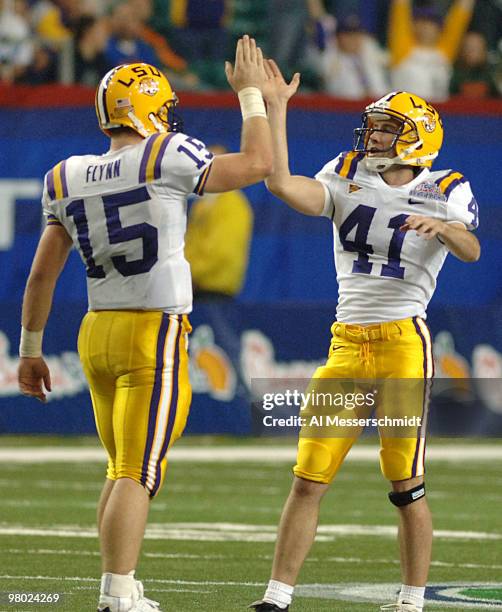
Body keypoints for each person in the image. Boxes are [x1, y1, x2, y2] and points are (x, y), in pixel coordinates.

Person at [17, 35, 272, 612]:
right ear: (148, 108)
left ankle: (123, 586)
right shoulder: (165, 154)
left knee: (120, 467)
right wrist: (252, 97)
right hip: (151, 332)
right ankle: (116, 595)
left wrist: (31, 349)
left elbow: (40, 279)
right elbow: (258, 165)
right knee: (137, 470)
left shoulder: (66, 174)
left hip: (95, 331)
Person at [249, 62, 480, 612]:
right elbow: (283, 185)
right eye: (374, 126)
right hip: (347, 344)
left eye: (386, 128)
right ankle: (277, 597)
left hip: (403, 343)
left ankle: (411, 601)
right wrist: (276, 108)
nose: (373, 136)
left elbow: (471, 249)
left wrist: (445, 228)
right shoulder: (346, 169)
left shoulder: (445, 187)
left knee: (406, 484)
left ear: (417, 138)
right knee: (309, 476)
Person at [185, 144, 254, 300]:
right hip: (193, 289)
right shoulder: (202, 205)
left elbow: (223, 250)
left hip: (215, 293)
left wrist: (192, 275)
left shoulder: (232, 203)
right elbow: (190, 244)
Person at [389, 0, 475, 102]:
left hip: (439, 113)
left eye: (431, 23)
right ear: (413, 25)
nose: (426, 27)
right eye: (421, 22)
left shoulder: (444, 52)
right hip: (405, 113)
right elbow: (400, 10)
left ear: (439, 28)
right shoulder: (402, 49)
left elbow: (461, 16)